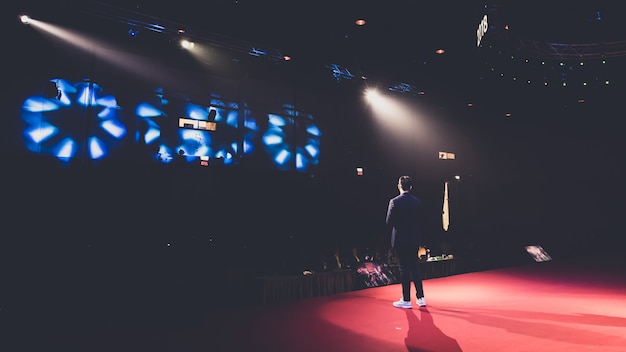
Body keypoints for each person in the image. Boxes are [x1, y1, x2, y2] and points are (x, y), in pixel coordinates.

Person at [386, 175, 426, 308]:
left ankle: (406, 299)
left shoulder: (394, 201)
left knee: (404, 268)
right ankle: (420, 298)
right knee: (415, 267)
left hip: (401, 239)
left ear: (399, 186)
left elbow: (389, 221)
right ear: (411, 187)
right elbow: (421, 220)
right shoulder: (417, 202)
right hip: (414, 238)